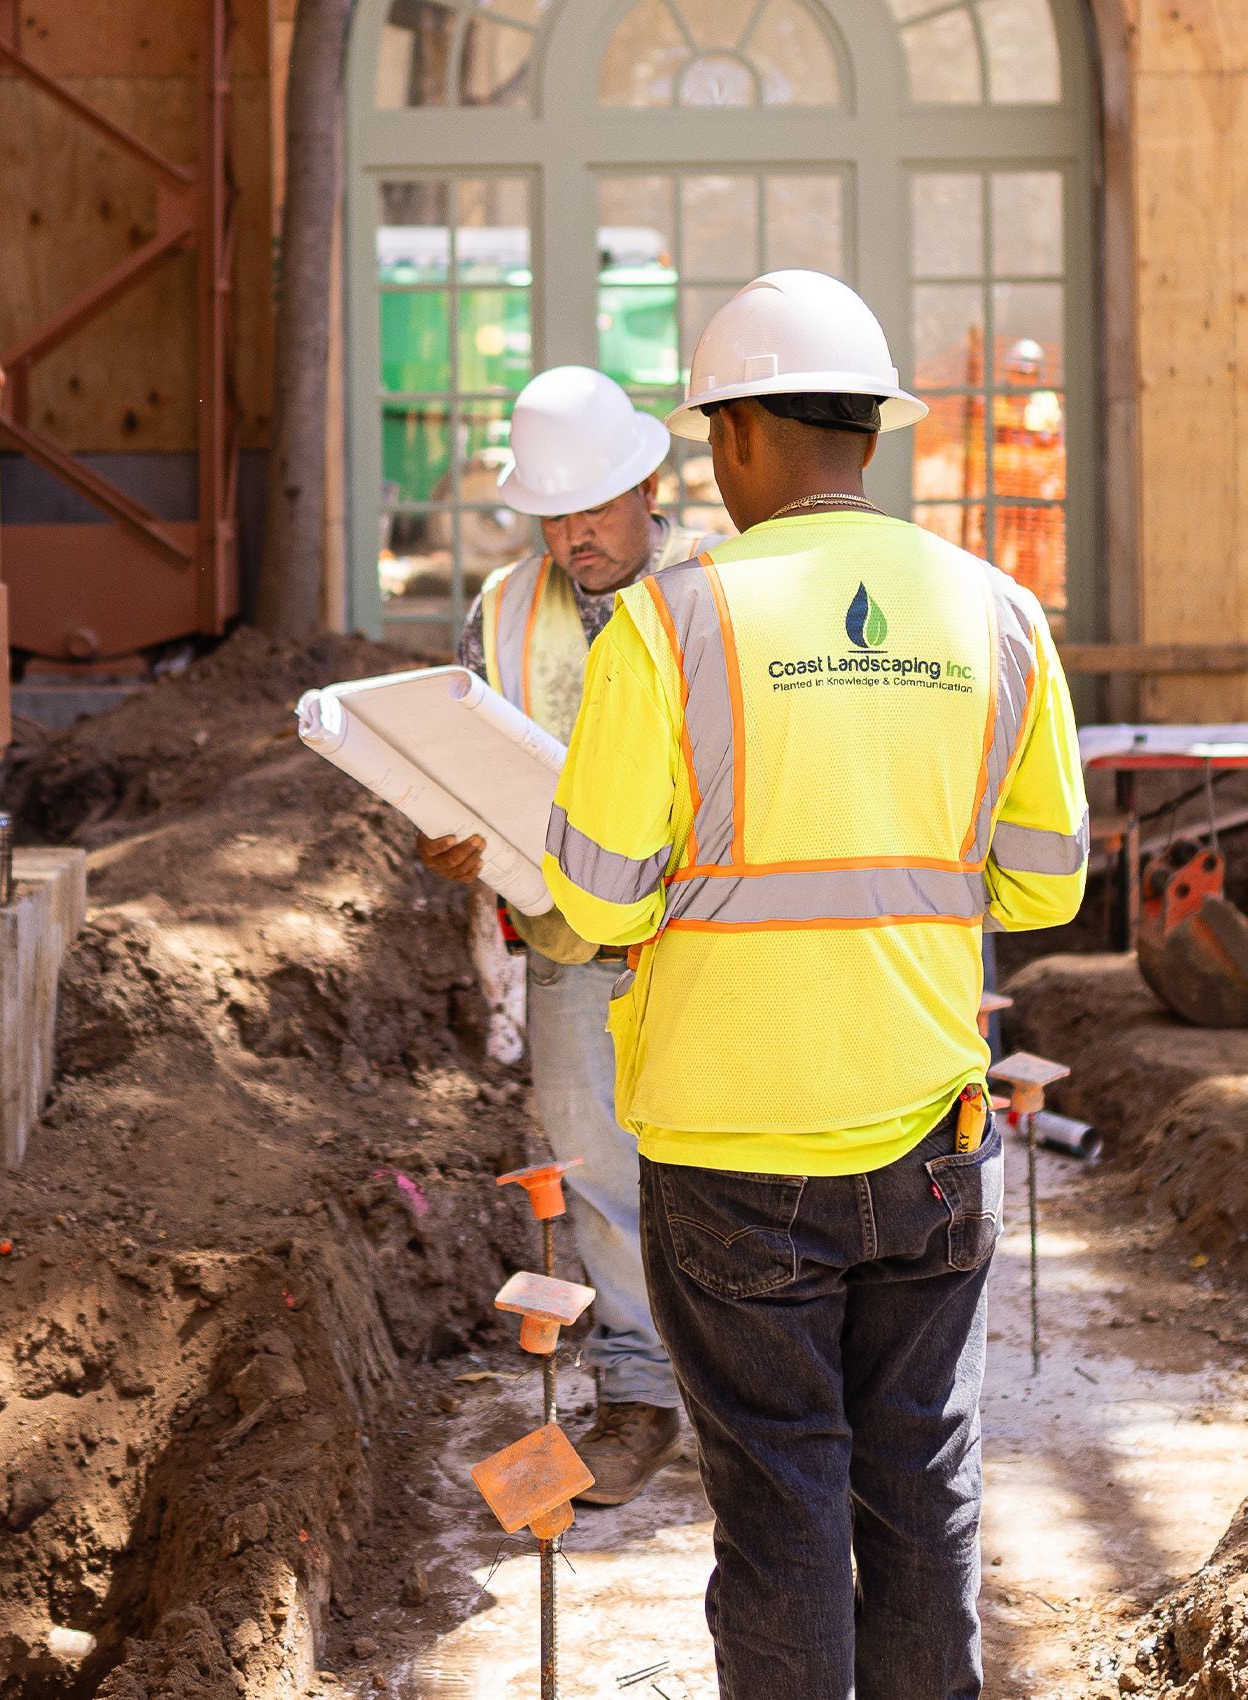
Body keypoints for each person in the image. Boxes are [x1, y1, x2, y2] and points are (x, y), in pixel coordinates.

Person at [542, 272, 1088, 1697]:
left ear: (730, 441)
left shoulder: (669, 627)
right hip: (929, 1139)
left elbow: (595, 892)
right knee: (923, 1491)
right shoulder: (997, 612)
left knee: (782, 1513)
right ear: (873, 431)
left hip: (731, 1155)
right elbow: (1044, 883)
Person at [418, 364, 721, 1504]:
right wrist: (455, 839)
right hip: (566, 944)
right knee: (600, 1177)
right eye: (552, 514)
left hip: (706, 942)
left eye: (592, 508)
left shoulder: (721, 593)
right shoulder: (502, 608)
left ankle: (755, 1397)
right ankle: (642, 1393)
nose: (573, 535)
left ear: (651, 484)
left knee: (731, 1170)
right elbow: (463, 759)